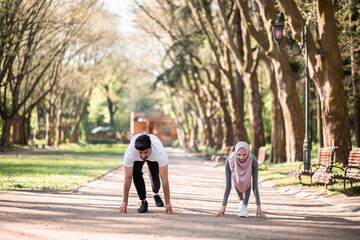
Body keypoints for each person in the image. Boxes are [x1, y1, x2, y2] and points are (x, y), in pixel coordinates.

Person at [119, 133, 173, 214]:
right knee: (135, 173)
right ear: (136, 149)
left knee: (155, 176)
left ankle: (156, 194)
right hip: (137, 157)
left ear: (150, 148)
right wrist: (124, 201)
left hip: (153, 156)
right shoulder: (130, 153)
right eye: (140, 152)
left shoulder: (159, 153)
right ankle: (143, 201)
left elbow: (164, 179)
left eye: (146, 152)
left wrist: (168, 202)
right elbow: (128, 177)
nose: (143, 156)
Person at [214, 141, 266, 218]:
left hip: (247, 183)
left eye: (244, 155)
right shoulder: (230, 160)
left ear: (248, 153)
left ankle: (244, 205)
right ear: (236, 153)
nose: (241, 157)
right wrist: (223, 206)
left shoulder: (252, 160)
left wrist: (259, 208)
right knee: (238, 183)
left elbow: (255, 186)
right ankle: (241, 200)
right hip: (236, 181)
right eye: (239, 155)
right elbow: (228, 186)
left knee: (247, 180)